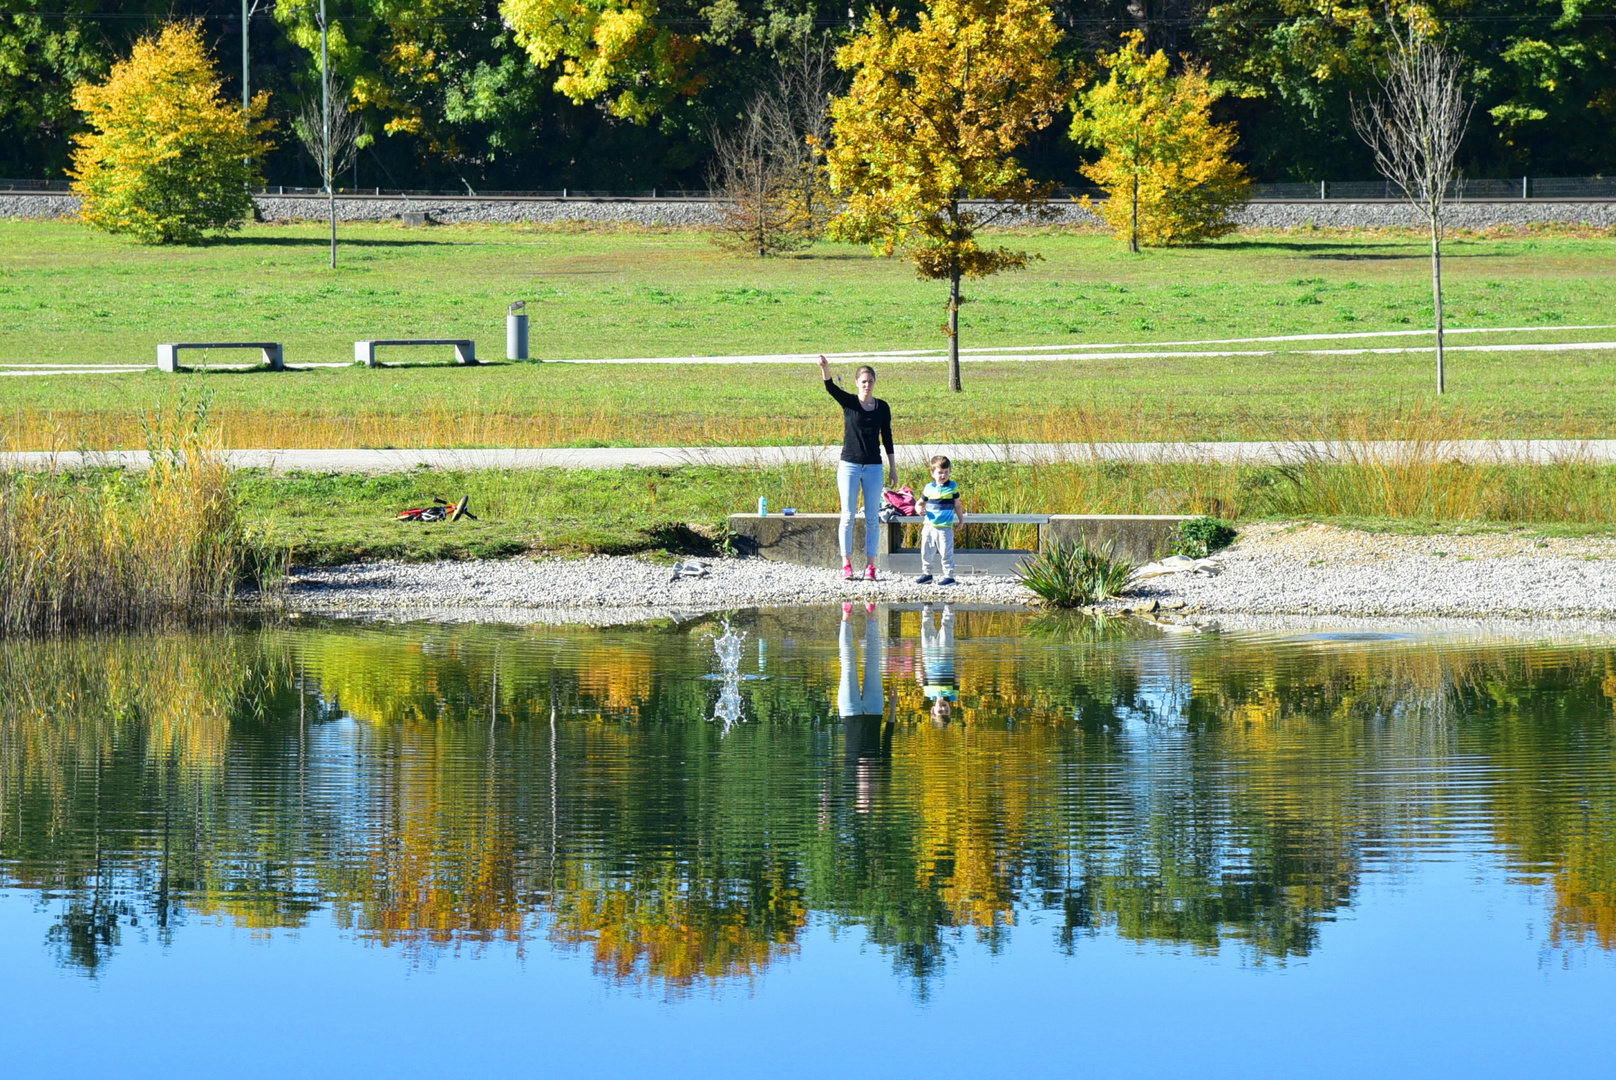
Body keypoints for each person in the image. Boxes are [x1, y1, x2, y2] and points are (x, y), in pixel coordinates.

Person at [817, 355, 896, 581]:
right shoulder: (850, 403)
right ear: (856, 383)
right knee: (848, 515)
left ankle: (871, 567)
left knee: (873, 517)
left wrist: (893, 468)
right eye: (863, 381)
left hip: (873, 466)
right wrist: (825, 368)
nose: (867, 385)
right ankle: (846, 564)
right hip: (849, 465)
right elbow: (830, 388)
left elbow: (887, 438)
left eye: (870, 381)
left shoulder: (882, 407)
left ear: (874, 383)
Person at [915, 454, 964, 586]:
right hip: (929, 526)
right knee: (926, 551)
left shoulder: (953, 486)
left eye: (946, 472)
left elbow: (957, 504)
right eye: (940, 472)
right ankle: (927, 574)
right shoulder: (928, 488)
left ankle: (949, 576)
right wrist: (918, 508)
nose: (943, 475)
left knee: (946, 552)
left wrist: (961, 520)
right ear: (933, 473)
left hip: (945, 527)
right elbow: (920, 503)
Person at [917, 602, 958, 725]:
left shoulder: (929, 693)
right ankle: (949, 605)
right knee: (946, 628)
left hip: (928, 656)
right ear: (950, 710)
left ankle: (927, 606)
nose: (944, 708)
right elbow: (957, 679)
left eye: (941, 711)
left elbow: (921, 677)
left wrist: (919, 659)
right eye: (947, 711)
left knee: (926, 629)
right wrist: (960, 662)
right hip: (946, 655)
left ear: (933, 709)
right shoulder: (953, 696)